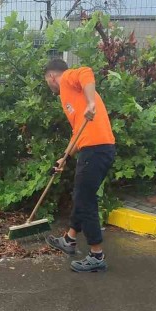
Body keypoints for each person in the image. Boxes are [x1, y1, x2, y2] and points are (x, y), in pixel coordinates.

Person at [43, 59, 116, 273]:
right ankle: (69, 239)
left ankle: (96, 255)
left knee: (85, 199)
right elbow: (77, 131)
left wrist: (92, 102)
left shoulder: (67, 79)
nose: (49, 86)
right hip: (91, 148)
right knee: (81, 194)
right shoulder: (70, 97)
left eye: (47, 81)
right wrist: (64, 158)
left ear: (51, 77)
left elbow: (86, 71)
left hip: (97, 148)